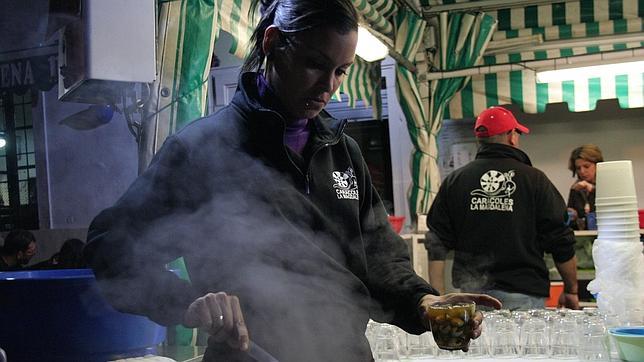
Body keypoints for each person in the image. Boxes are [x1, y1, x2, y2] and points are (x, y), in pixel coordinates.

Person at [83, 0, 501, 360]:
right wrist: (187, 303)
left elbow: (377, 255)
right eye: (315, 64)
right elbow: (110, 250)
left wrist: (423, 301)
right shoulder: (200, 151)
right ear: (272, 44)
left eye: (341, 71)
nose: (328, 87)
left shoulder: (341, 149)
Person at [425, 106, 580, 311]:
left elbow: (436, 241)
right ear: (512, 136)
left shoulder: (455, 181)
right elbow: (560, 239)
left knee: (481, 344)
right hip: (524, 297)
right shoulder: (534, 180)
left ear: (481, 140)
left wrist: (439, 298)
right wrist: (571, 290)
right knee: (521, 345)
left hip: (473, 298)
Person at [567, 144, 604, 230]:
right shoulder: (576, 189)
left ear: (597, 165)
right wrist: (572, 217)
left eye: (586, 166)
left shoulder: (608, 185)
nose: (582, 171)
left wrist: (593, 190)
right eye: (578, 168)